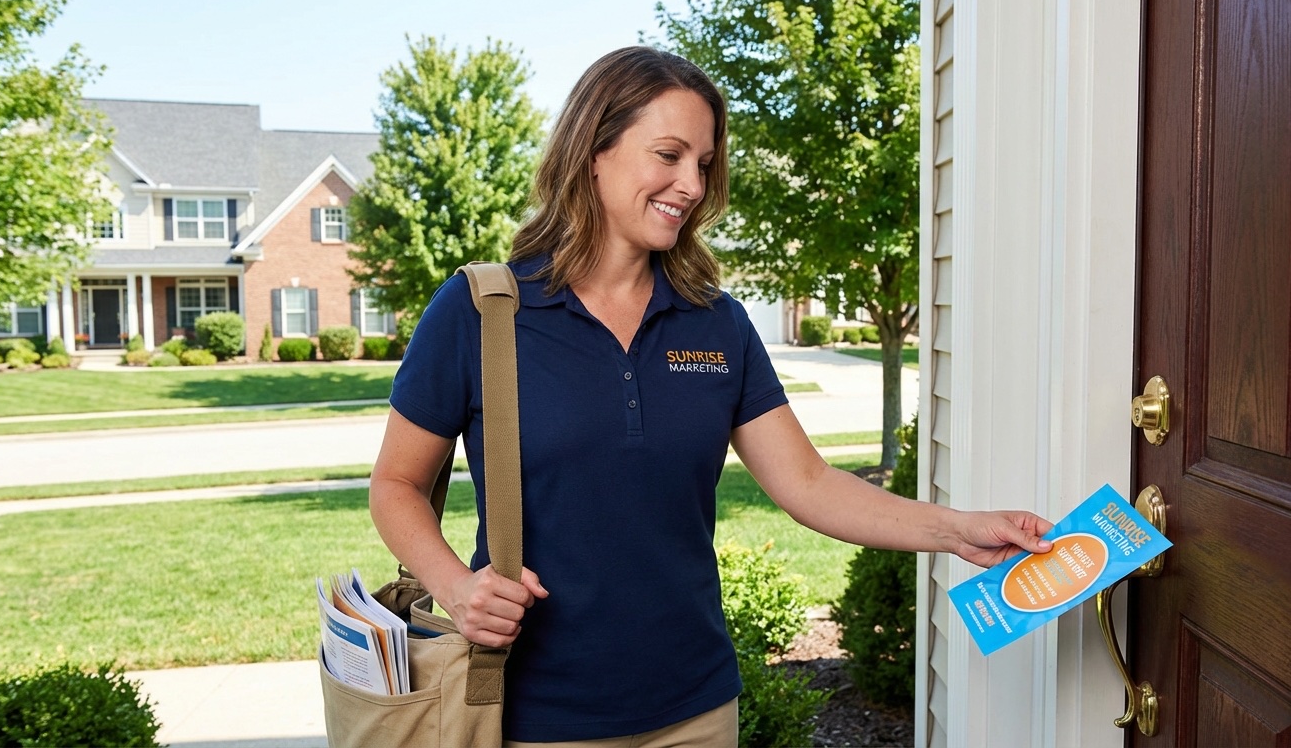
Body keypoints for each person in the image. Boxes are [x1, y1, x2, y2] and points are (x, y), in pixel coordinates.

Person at [369, 45, 1053, 746]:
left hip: (696, 709)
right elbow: (395, 483)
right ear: (593, 151)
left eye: (703, 163)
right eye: (668, 155)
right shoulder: (483, 312)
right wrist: (457, 586)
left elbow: (809, 483)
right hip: (537, 715)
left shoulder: (714, 319)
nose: (691, 184)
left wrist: (957, 530)